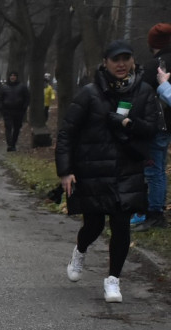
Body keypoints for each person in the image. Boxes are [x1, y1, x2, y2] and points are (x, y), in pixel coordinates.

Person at [57, 39, 159, 303]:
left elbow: (151, 129)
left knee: (121, 226)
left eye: (126, 58)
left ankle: (113, 280)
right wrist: (65, 171)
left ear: (133, 61)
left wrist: (126, 122)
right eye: (116, 59)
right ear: (105, 63)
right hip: (92, 169)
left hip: (127, 170)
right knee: (93, 225)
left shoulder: (144, 92)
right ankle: (80, 251)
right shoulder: (89, 93)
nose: (122, 64)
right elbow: (68, 133)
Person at [138, 23, 171, 230]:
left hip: (156, 125)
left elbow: (140, 93)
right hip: (167, 125)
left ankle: (155, 213)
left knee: (153, 169)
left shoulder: (156, 65)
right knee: (159, 168)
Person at [0, 71, 30, 151]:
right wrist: (1, 108)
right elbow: (0, 99)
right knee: (8, 127)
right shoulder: (4, 87)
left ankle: (13, 143)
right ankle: (10, 145)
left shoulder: (22, 87)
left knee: (17, 128)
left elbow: (27, 98)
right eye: (11, 75)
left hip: (18, 111)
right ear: (9, 77)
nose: (12, 77)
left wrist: (24, 108)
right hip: (7, 111)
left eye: (14, 75)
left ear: (16, 77)